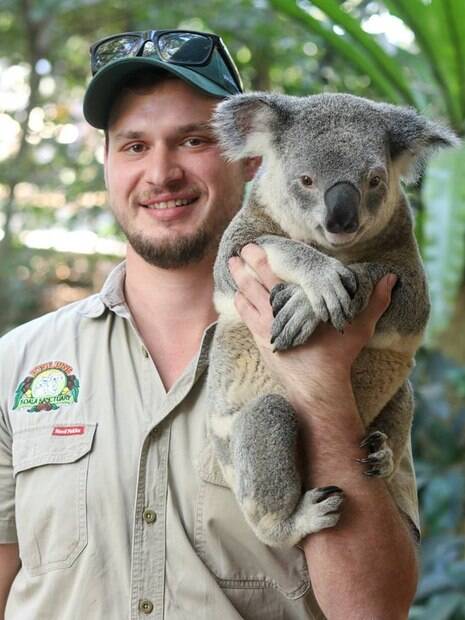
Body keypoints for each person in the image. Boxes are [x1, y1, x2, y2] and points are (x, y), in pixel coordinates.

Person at [0, 29, 419, 619]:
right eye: (133, 146)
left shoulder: (355, 341)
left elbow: (374, 610)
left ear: (252, 160)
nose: (161, 173)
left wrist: (322, 390)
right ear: (107, 165)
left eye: (192, 141)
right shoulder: (18, 364)